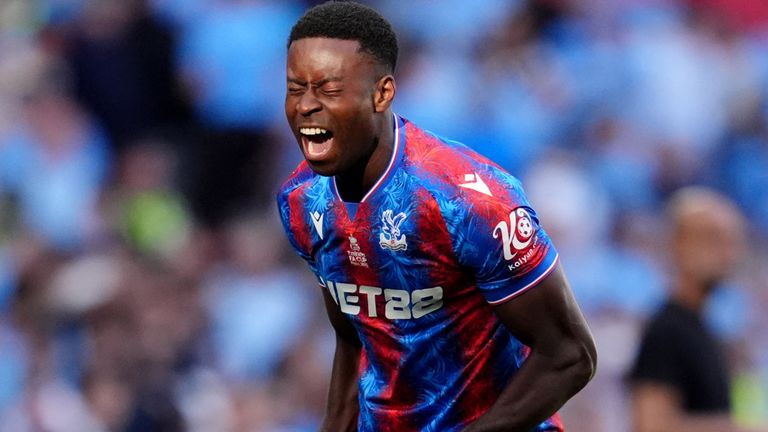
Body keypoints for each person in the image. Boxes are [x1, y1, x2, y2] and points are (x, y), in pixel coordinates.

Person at [275, 2, 597, 431]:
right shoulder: (300, 200)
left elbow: (570, 354)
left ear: (382, 93)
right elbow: (356, 336)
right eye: (296, 88)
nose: (306, 107)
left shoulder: (466, 200)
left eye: (329, 90)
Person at [628, 187, 767, 432]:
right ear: (677, 243)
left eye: (733, 241)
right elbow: (652, 425)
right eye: (712, 238)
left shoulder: (704, 329)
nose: (728, 253)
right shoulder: (667, 330)